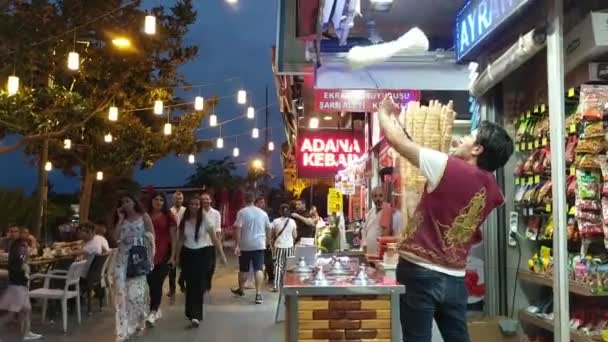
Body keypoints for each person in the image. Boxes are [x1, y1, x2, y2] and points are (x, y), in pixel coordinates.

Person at [377, 97, 513, 342]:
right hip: (455, 276)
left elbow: (396, 141)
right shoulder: (494, 191)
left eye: (469, 136)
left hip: (419, 272)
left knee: (416, 338)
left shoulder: (445, 165)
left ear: (477, 149)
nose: (461, 139)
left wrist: (384, 112)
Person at [176, 196, 227, 327]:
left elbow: (215, 239)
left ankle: (196, 315)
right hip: (188, 254)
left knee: (198, 284)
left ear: (200, 206)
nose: (194, 206)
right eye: (192, 204)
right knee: (190, 283)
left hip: (203, 253)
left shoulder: (206, 220)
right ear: (189, 205)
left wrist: (221, 255)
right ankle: (190, 312)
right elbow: (181, 239)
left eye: (197, 204)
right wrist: (175, 256)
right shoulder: (185, 220)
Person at [113, 194, 155, 341]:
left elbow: (151, 237)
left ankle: (139, 319)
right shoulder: (121, 219)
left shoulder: (144, 217)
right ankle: (122, 331)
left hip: (138, 259)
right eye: (122, 202)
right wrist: (119, 220)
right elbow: (115, 237)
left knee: (135, 295)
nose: (125, 204)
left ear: (134, 202)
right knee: (121, 295)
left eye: (127, 201)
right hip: (122, 260)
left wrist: (150, 258)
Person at [230, 192, 270, 304]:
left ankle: (241, 289)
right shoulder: (263, 213)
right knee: (258, 268)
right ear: (254, 200)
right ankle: (258, 294)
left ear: (244, 200)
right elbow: (268, 228)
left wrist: (237, 244)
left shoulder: (242, 212)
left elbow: (238, 228)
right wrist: (267, 242)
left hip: (245, 245)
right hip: (259, 245)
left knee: (243, 269)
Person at [0, 238, 43, 340]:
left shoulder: (19, 256)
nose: (26, 248)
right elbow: (21, 271)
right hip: (17, 288)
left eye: (26, 246)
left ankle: (26, 332)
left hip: (20, 287)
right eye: (24, 246)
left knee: (26, 310)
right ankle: (26, 333)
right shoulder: (18, 256)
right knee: (11, 314)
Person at [145, 191, 177, 327]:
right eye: (156, 199)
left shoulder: (168, 216)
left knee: (157, 283)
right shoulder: (145, 216)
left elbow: (174, 237)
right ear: (151, 201)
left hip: (164, 254)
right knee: (151, 283)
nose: (158, 202)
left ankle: (153, 311)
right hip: (147, 255)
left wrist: (173, 256)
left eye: (161, 200)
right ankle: (156, 308)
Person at [269, 204, 297, 292]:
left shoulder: (275, 221)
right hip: (289, 246)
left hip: (279, 246)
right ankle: (289, 285)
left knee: (278, 265)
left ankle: (276, 286)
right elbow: (295, 235)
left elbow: (271, 233)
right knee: (289, 266)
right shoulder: (292, 222)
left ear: (280, 211)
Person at [361, 187, 394, 255]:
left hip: (379, 252)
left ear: (384, 197)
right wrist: (364, 244)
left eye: (380, 195)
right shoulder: (371, 211)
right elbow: (364, 229)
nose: (378, 199)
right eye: (375, 196)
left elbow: (385, 234)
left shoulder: (386, 210)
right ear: (372, 198)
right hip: (368, 250)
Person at [201, 193, 222, 291]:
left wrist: (218, 245)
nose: (205, 201)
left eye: (207, 199)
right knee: (202, 266)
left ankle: (208, 281)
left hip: (211, 244)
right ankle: (202, 283)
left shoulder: (216, 213)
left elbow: (218, 230)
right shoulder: (198, 212)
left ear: (210, 200)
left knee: (211, 267)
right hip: (200, 244)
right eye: (203, 199)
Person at [168, 191, 186, 300]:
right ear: (172, 199)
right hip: (172, 242)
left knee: (185, 265)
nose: (178, 200)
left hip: (184, 241)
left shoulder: (186, 211)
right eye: (176, 198)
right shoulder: (169, 211)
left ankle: (181, 281)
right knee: (172, 266)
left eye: (180, 198)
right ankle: (172, 289)